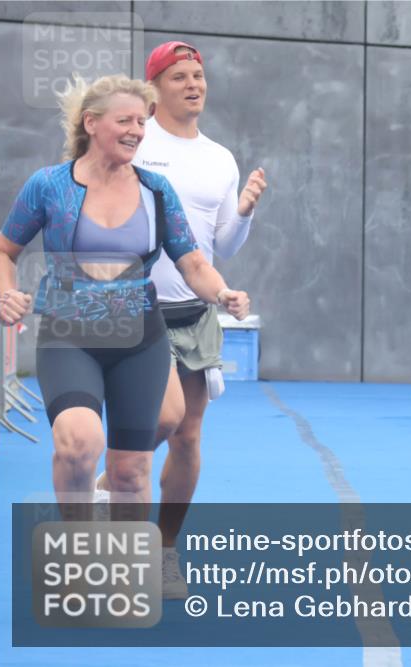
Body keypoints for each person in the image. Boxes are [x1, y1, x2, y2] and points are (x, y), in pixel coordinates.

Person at [0, 74, 250, 521]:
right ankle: (74, 555)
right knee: (77, 444)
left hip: (139, 337)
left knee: (131, 472)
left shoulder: (155, 190)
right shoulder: (49, 185)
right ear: (91, 123)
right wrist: (7, 293)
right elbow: (2, 250)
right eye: (124, 120)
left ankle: (123, 576)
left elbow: (192, 264)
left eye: (141, 122)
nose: (136, 130)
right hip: (69, 332)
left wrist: (223, 292)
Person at [94, 41, 268, 599]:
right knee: (160, 425)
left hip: (196, 313)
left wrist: (242, 213)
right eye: (179, 77)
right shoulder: (137, 144)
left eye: (199, 76)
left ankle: (164, 550)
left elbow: (219, 247)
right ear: (155, 88)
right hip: (136, 311)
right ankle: (107, 496)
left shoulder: (219, 158)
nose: (194, 84)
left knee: (188, 437)